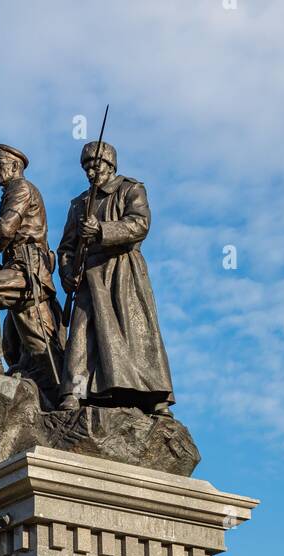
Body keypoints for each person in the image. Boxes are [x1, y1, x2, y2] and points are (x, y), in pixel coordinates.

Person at [57, 140, 175, 414]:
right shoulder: (78, 204)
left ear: (110, 164)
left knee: (137, 333)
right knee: (82, 334)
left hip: (123, 271)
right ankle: (74, 392)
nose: (90, 171)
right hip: (89, 275)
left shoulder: (131, 189)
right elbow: (65, 247)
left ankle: (154, 395)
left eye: (95, 164)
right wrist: (66, 273)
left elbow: (139, 224)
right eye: (86, 166)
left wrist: (101, 229)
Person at [0, 144, 63, 391]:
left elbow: (5, 229)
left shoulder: (20, 188)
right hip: (22, 270)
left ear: (15, 166)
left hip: (27, 271)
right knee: (30, 353)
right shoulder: (16, 190)